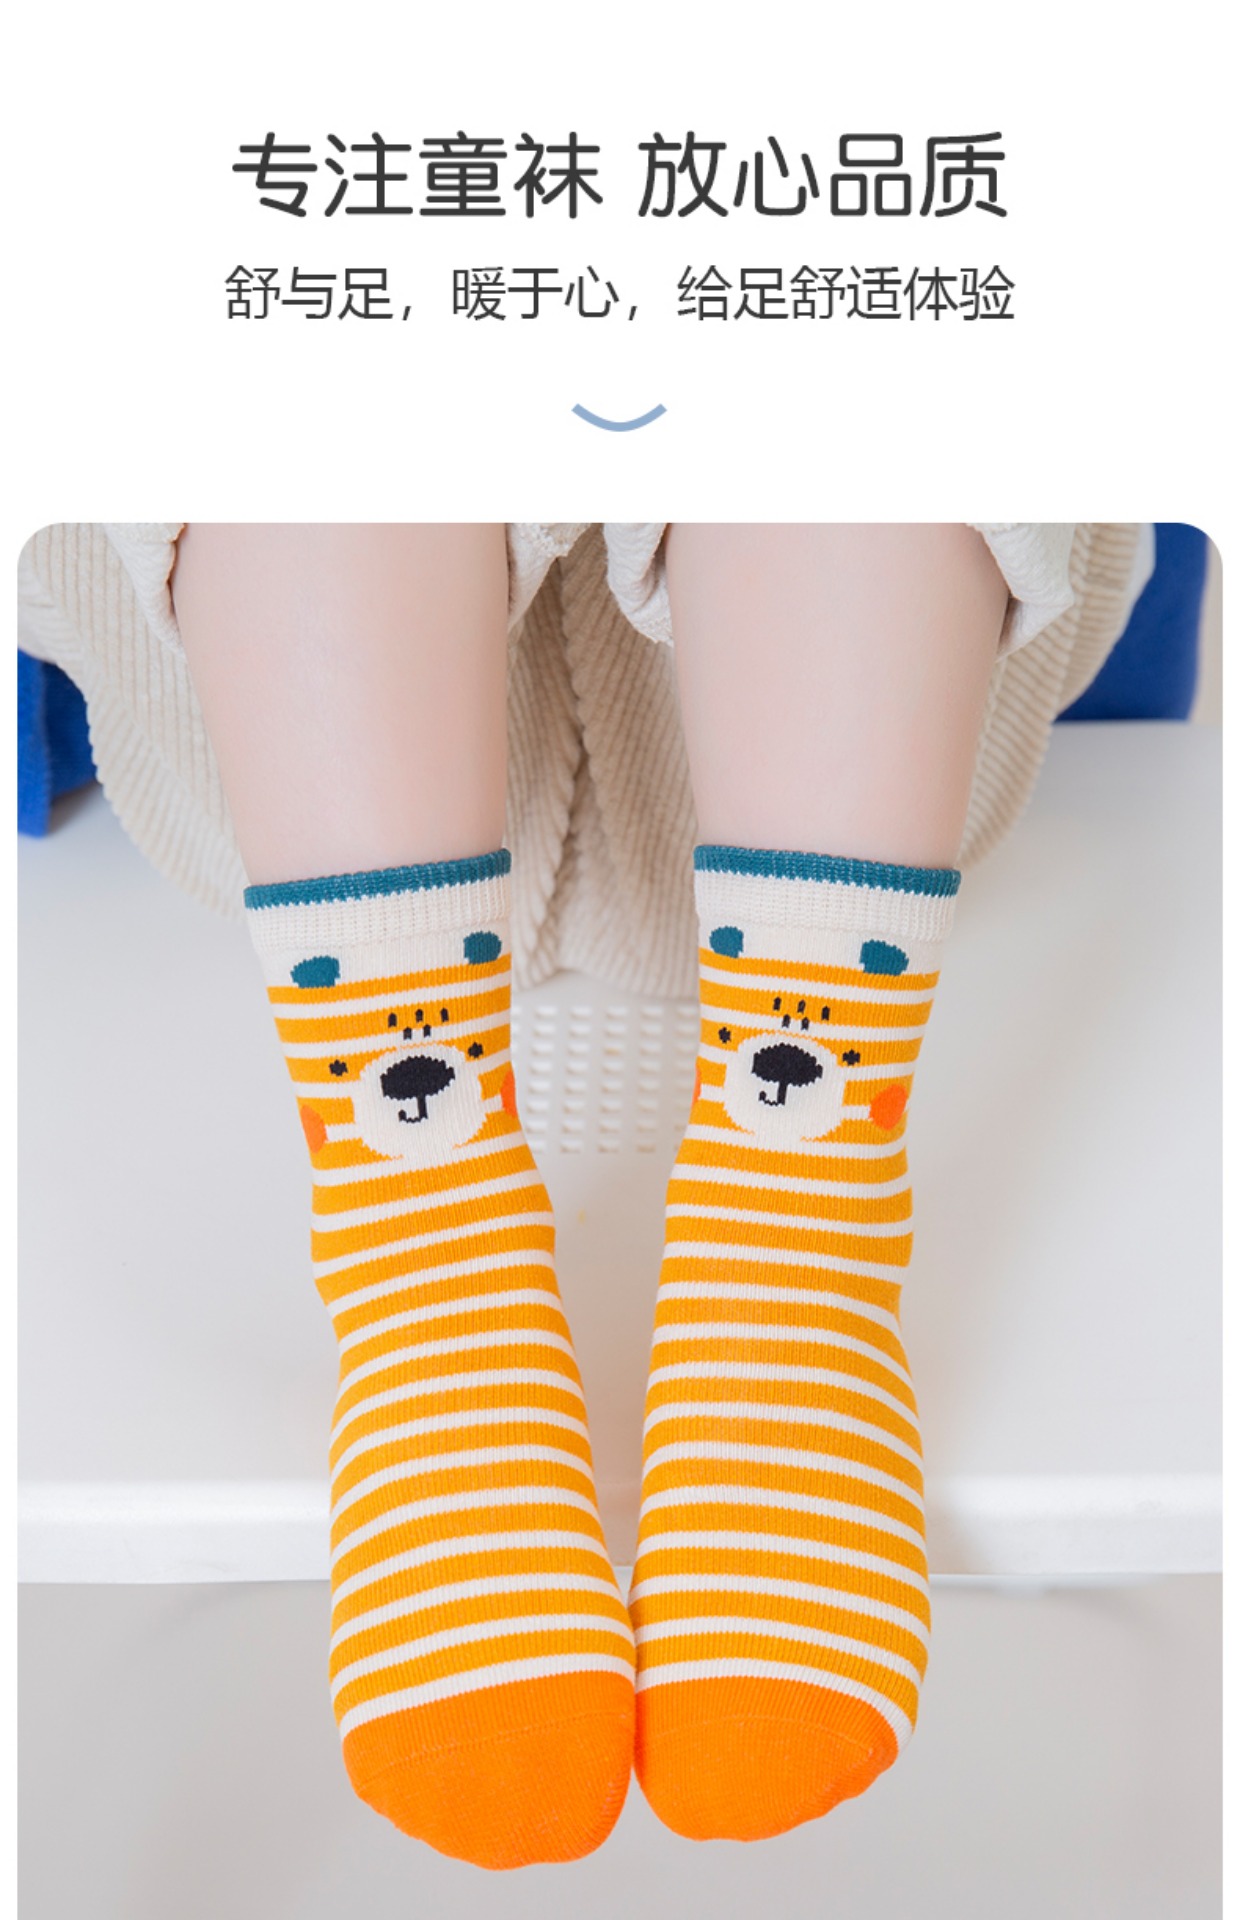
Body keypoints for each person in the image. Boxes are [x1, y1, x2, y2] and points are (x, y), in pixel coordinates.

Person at [19, 520, 1151, 1869]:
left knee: (819, 373)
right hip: (276, 765)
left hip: (872, 759)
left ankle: (791, 1244)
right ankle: (433, 1260)